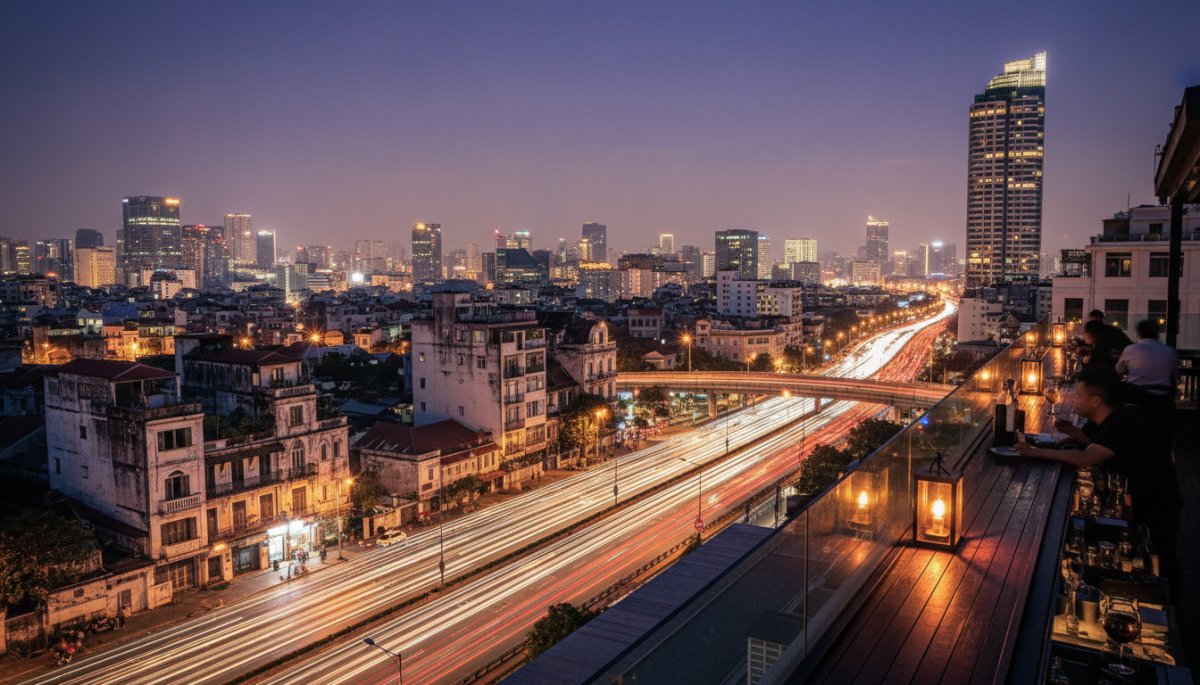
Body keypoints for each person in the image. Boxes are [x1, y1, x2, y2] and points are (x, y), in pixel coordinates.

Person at [1015, 367, 1181, 588]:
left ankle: (1172, 605)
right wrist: (1074, 435)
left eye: (1079, 395)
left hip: (1158, 499)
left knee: (1161, 557)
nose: (1074, 399)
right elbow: (1097, 444)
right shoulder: (1115, 417)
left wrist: (1036, 452)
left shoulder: (1119, 424)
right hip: (1150, 493)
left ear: (1096, 401)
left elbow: (1086, 458)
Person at [1116, 319, 1178, 436]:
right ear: (1157, 333)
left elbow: (1117, 374)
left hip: (1137, 400)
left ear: (1139, 333)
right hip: (1162, 402)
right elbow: (1174, 376)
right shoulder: (1169, 351)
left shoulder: (1131, 349)